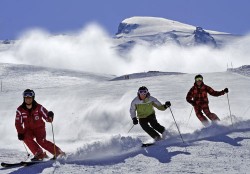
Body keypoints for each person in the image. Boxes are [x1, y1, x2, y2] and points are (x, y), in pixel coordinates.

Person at [15, 89, 65, 161]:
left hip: (39, 129)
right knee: (25, 136)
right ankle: (39, 154)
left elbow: (47, 118)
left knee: (41, 141)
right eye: (26, 98)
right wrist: (20, 132)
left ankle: (58, 153)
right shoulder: (20, 110)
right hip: (28, 129)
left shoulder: (39, 108)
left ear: (33, 98)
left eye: (30, 98)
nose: (28, 100)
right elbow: (18, 123)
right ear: (24, 98)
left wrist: (50, 116)